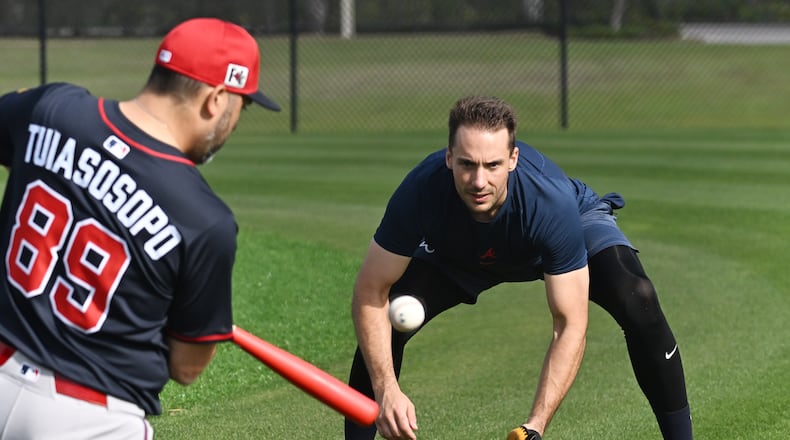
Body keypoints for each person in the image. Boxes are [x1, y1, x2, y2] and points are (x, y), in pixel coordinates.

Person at [345, 96, 692, 440]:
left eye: (492, 165)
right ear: (449, 157)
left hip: (559, 230)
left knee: (636, 297)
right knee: (384, 324)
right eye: (467, 164)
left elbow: (569, 324)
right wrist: (385, 388)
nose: (479, 181)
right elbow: (370, 291)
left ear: (513, 159)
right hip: (461, 249)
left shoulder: (549, 201)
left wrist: (534, 427)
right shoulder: (421, 190)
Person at [0, 17, 279, 438]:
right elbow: (186, 367)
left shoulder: (52, 109)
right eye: (243, 104)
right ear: (216, 100)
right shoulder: (206, 220)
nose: (236, 121)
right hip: (87, 419)